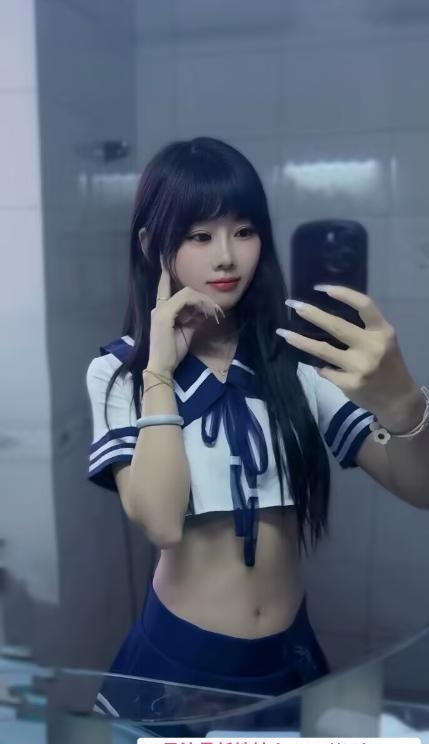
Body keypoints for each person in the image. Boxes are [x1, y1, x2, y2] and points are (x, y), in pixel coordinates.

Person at [85, 137, 429, 719]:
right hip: (181, 656)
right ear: (151, 245)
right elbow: (162, 522)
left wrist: (404, 403)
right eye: (200, 236)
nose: (227, 256)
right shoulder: (119, 372)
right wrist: (160, 370)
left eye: (243, 231)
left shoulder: (292, 360)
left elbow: (420, 488)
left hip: (291, 651)